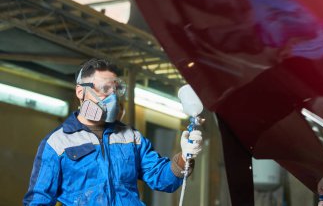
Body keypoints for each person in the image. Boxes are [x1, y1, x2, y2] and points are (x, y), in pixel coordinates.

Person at [23, 58, 203, 206]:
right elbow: (38, 201)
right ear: (81, 91)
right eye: (104, 89)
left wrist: (185, 158)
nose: (112, 97)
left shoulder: (131, 138)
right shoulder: (58, 143)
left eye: (115, 90)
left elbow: (163, 180)